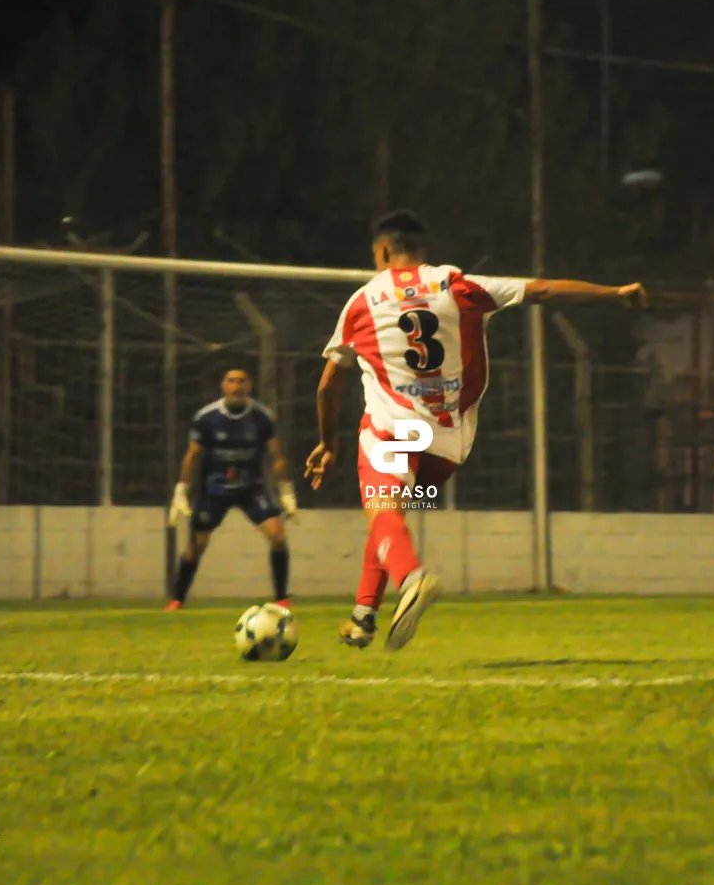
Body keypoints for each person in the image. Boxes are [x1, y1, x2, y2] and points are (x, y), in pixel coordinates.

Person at [304, 210, 647, 651]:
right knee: (387, 514)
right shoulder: (458, 284)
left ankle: (412, 577)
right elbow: (541, 289)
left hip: (393, 433)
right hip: (446, 444)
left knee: (382, 507)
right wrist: (615, 293)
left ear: (383, 251)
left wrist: (326, 443)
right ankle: (363, 614)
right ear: (423, 252)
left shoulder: (363, 300)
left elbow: (328, 384)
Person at [167, 369, 296, 610]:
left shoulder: (262, 417)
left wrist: (286, 491)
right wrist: (181, 491)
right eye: (231, 381)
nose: (236, 386)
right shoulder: (207, 417)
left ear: (250, 386)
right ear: (222, 385)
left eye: (242, 381)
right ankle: (177, 599)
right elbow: (192, 456)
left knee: (278, 536)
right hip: (215, 490)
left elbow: (276, 455)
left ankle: (282, 598)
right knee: (196, 546)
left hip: (251, 488)